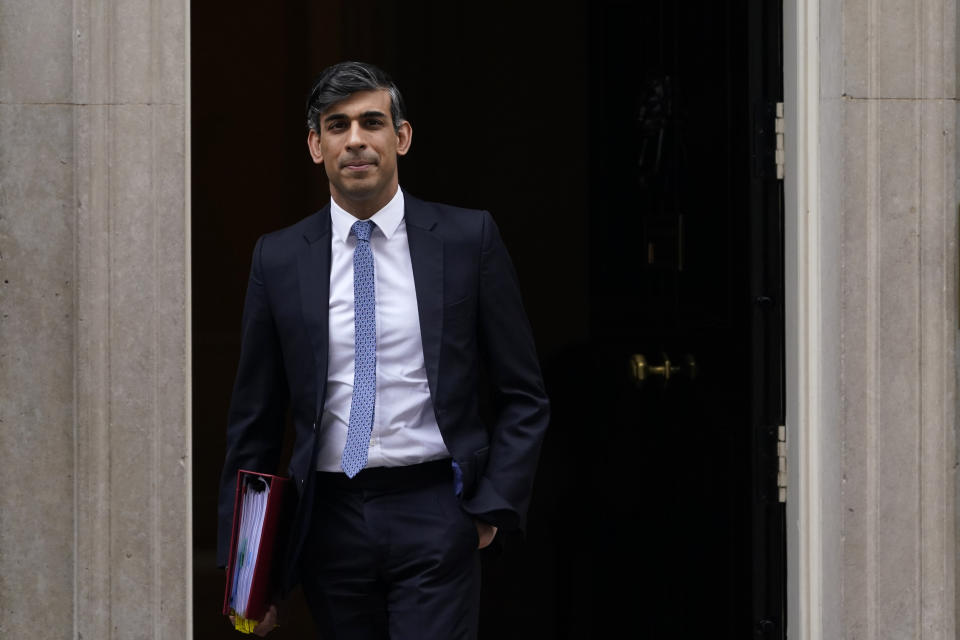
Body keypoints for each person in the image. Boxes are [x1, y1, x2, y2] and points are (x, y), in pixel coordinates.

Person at [216, 61, 550, 638]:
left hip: (437, 508)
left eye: (372, 122)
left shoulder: (470, 240)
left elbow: (524, 394)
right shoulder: (278, 258)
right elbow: (255, 424)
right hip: (329, 521)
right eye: (337, 125)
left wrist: (490, 512)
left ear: (402, 136)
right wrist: (247, 573)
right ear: (316, 146)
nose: (356, 140)